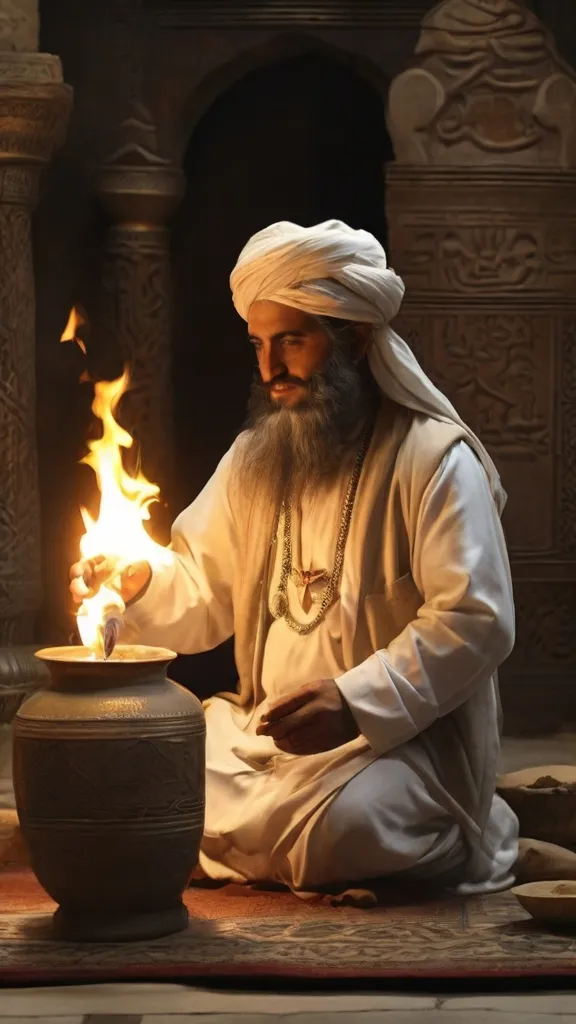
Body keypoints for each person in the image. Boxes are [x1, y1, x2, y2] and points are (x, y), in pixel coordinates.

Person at [71, 219, 519, 895]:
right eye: (257, 344)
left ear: (356, 338)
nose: (269, 369)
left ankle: (455, 832)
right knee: (150, 770)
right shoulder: (258, 457)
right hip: (265, 743)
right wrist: (141, 582)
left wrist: (354, 701)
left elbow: (477, 621)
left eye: (291, 341)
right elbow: (201, 589)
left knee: (349, 829)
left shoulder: (432, 459)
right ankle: (277, 846)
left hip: (395, 749)